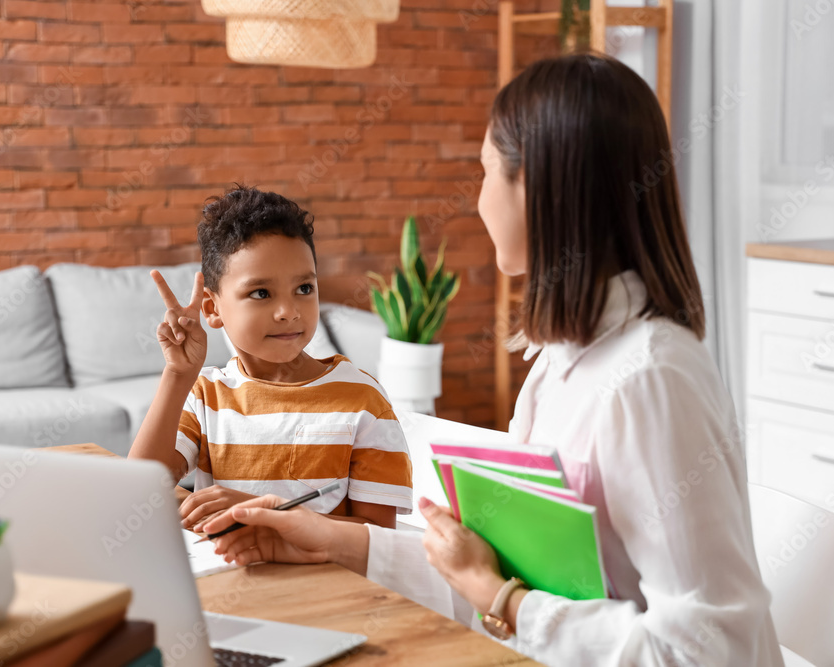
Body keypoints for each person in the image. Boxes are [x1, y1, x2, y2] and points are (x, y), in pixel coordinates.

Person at [201, 55, 784, 666]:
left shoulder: (648, 379)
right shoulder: (561, 364)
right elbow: (506, 573)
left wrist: (501, 599)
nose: (478, 202)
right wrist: (326, 541)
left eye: (485, 174)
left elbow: (716, 653)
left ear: (537, 187)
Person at [128, 185, 413, 530]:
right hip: (226, 576)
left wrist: (260, 511)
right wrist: (178, 373)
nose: (288, 311)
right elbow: (142, 486)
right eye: (261, 293)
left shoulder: (364, 401)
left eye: (304, 289)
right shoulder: (205, 396)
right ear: (212, 309)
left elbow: (378, 540)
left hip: (323, 583)